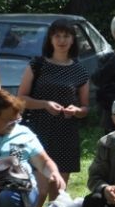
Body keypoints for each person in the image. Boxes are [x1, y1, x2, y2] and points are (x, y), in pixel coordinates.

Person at [17, 19, 90, 188]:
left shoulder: (80, 71)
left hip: (66, 133)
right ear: (50, 39)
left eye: (66, 36)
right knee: (37, 190)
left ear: (73, 40)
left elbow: (86, 108)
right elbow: (20, 99)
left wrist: (77, 110)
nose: (62, 40)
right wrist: (44, 104)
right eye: (57, 36)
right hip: (37, 130)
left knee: (58, 190)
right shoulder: (37, 64)